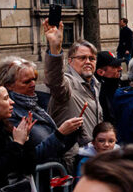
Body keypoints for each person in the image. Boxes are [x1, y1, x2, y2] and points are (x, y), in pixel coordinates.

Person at [0, 56, 83, 165]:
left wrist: (71, 133)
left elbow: (56, 149)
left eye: (34, 79)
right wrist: (60, 133)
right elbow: (31, 157)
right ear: (8, 85)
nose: (33, 84)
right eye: (26, 82)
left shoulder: (37, 102)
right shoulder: (9, 113)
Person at [43, 20, 103, 153]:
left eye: (91, 58)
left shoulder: (95, 84)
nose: (88, 62)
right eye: (82, 58)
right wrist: (55, 48)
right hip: (72, 158)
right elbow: (55, 80)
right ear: (70, 61)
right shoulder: (68, 83)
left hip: (92, 155)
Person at [95, 51, 123, 126]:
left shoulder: (120, 87)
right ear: (100, 72)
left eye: (119, 65)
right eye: (115, 66)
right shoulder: (99, 93)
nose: (120, 68)